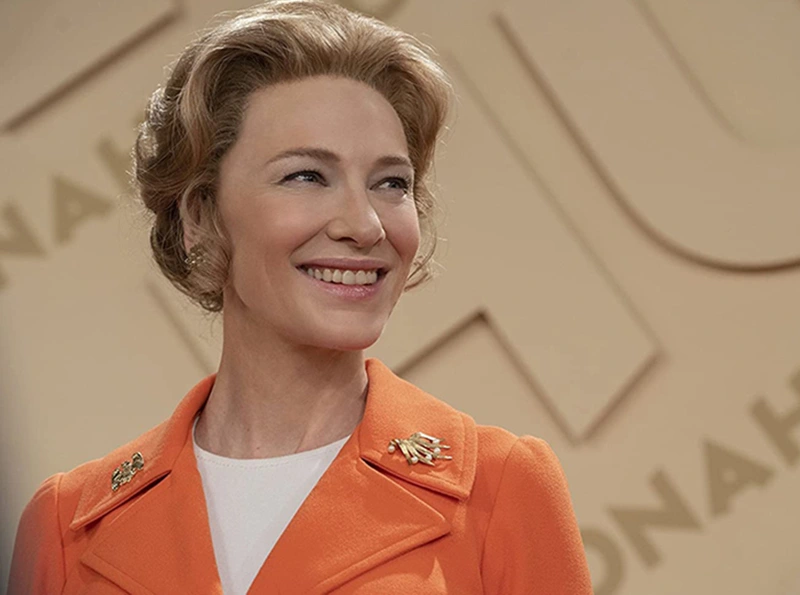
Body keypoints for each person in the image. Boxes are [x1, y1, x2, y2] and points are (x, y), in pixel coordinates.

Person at [7, 1, 594, 593]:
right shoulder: (66, 526)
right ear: (200, 216)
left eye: (391, 183)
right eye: (307, 176)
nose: (365, 225)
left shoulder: (500, 489)